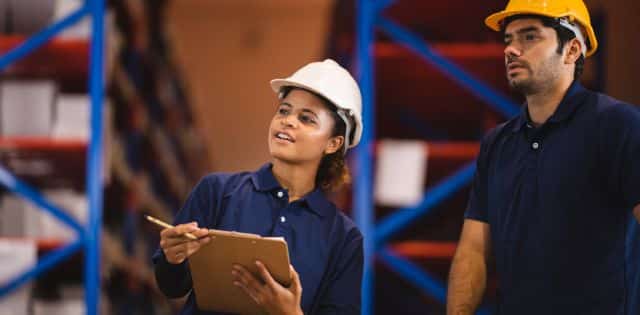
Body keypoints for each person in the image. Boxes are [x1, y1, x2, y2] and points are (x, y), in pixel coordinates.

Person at [446, 0, 640, 314]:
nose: (511, 49)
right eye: (508, 40)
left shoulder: (619, 126)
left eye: (530, 37)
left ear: (573, 50)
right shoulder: (497, 144)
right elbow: (474, 251)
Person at [152, 59, 364, 315]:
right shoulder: (218, 192)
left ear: (333, 143)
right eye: (284, 111)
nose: (288, 121)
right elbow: (171, 286)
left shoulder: (343, 238)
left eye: (307, 119)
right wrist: (173, 258)